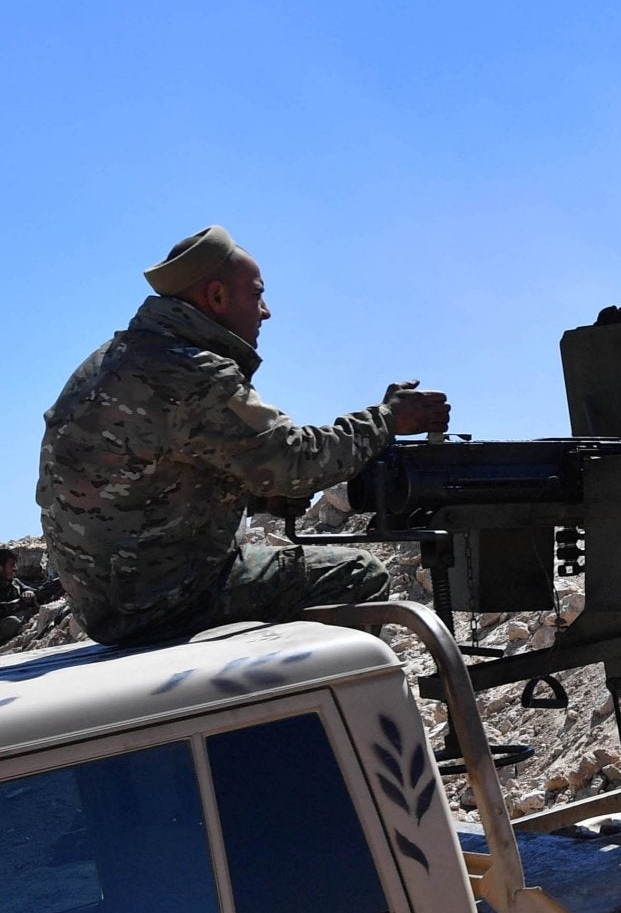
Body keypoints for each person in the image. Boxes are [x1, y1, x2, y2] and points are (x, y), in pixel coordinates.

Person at [36, 226, 452, 647]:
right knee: (358, 574)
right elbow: (294, 462)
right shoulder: (191, 372)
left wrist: (249, 495)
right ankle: (302, 702)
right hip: (161, 601)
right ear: (216, 297)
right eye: (257, 294)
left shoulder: (112, 360)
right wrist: (386, 419)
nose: (266, 311)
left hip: (108, 601)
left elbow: (147, 476)